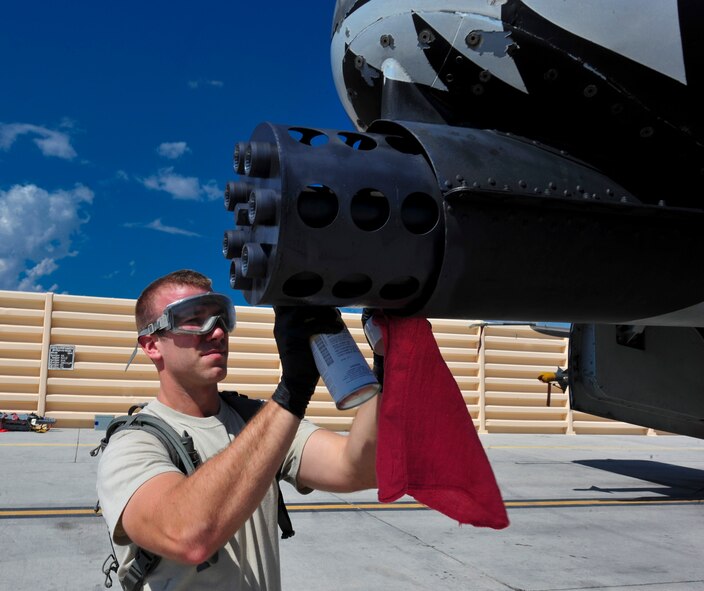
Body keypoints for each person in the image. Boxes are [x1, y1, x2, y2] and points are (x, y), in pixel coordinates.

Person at [97, 269, 380, 590]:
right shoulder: (133, 443)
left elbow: (359, 469)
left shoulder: (255, 420)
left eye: (220, 317)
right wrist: (291, 393)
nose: (216, 332)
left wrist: (387, 361)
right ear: (151, 345)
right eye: (192, 318)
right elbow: (188, 536)